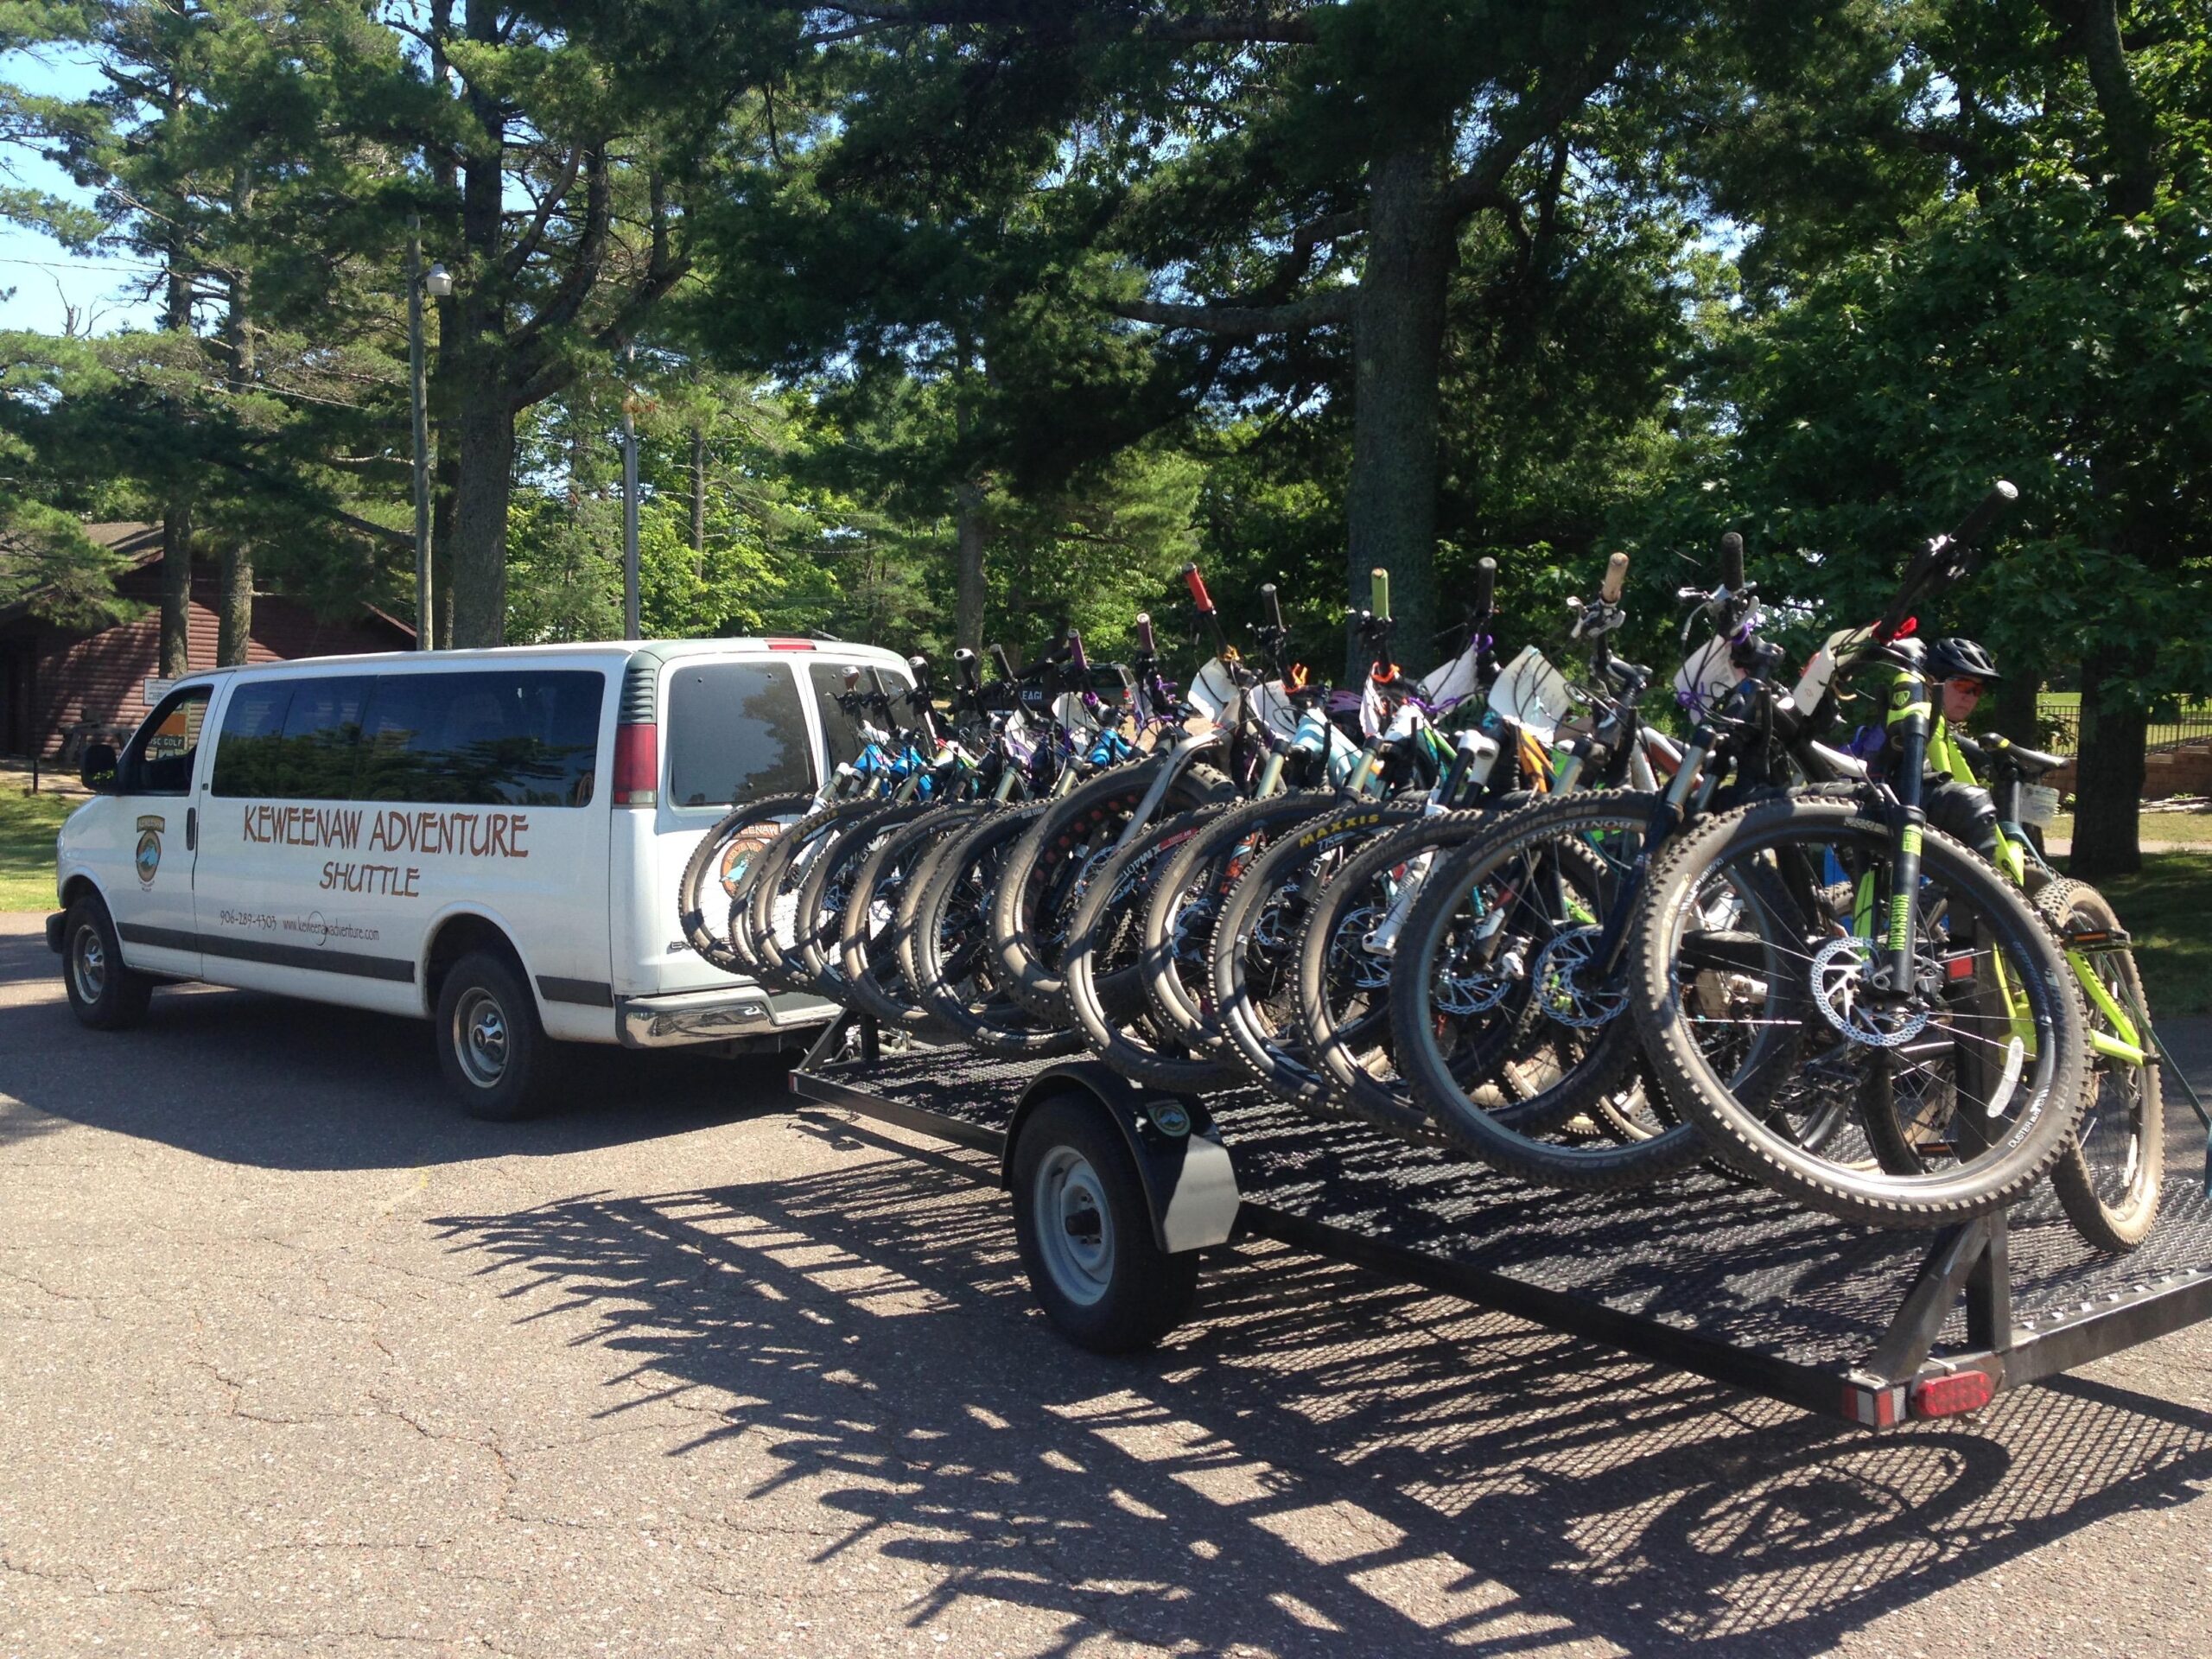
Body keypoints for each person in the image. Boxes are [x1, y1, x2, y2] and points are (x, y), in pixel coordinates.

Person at [1919, 636, 2003, 858]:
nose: (1970, 697)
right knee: (1969, 802)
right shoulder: (1921, 720)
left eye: (1977, 690)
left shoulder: (1947, 731)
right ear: (1930, 681)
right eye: (1963, 685)